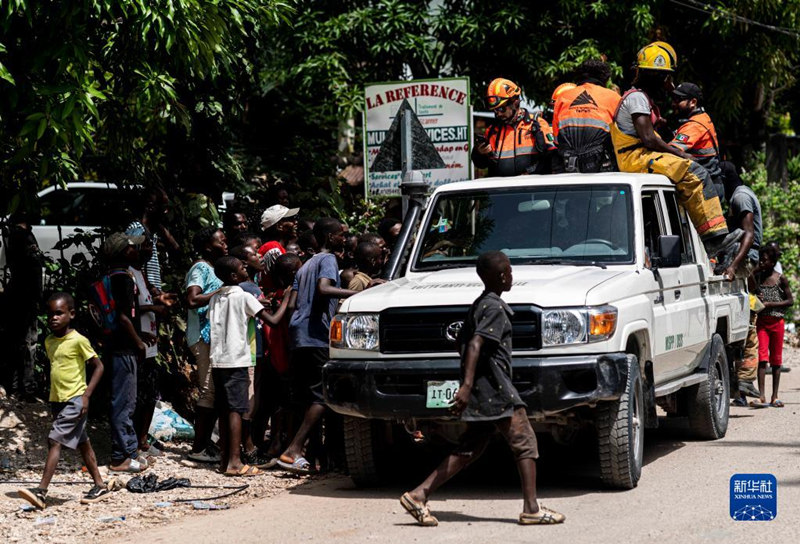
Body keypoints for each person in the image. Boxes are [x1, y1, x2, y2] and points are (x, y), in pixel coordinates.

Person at [399, 251, 565, 526]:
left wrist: (471, 381)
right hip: (496, 388)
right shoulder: (494, 308)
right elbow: (475, 343)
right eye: (510, 271)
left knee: (470, 448)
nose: (512, 275)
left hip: (484, 387)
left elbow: (461, 342)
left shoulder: (479, 305)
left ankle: (418, 495)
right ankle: (532, 508)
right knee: (525, 443)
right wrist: (466, 385)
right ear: (502, 276)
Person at [611, 42, 741, 259]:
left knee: (691, 177)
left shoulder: (643, 99)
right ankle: (714, 240)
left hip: (640, 155)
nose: (668, 83)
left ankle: (712, 238)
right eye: (665, 77)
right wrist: (680, 154)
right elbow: (648, 139)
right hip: (636, 158)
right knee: (695, 173)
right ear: (655, 76)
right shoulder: (637, 98)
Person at [277, 218, 366, 473]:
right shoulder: (328, 260)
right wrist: (360, 295)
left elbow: (292, 304)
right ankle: (294, 450)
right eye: (342, 234)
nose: (345, 238)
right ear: (330, 237)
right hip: (316, 335)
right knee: (323, 397)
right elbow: (324, 289)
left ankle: (314, 458)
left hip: (298, 335)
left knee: (308, 398)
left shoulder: (305, 265)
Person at [17, 293, 110, 509]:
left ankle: (41, 492)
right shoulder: (49, 341)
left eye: (59, 313)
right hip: (57, 400)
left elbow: (99, 367)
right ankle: (99, 484)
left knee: (55, 440)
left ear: (72, 314)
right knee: (82, 441)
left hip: (76, 399)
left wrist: (86, 396)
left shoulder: (79, 340)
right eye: (50, 314)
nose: (53, 318)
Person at [208, 256, 291, 476]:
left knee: (225, 409)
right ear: (234, 276)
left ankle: (225, 459)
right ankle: (235, 462)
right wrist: (286, 299)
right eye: (241, 267)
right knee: (237, 409)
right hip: (237, 359)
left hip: (218, 359)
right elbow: (272, 320)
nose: (246, 268)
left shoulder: (216, 297)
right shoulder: (244, 296)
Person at [104, 233, 151, 473]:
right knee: (124, 402)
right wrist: (138, 342)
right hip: (123, 348)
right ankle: (120, 456)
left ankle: (129, 451)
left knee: (125, 400)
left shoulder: (114, 275)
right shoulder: (122, 278)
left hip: (117, 345)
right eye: (133, 247)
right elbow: (123, 316)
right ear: (125, 252)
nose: (138, 249)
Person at [184, 227, 228, 463]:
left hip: (213, 337)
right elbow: (192, 299)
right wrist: (222, 292)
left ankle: (206, 444)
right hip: (202, 336)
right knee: (208, 391)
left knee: (213, 390)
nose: (225, 244)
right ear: (208, 247)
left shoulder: (213, 268)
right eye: (221, 241)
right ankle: (198, 448)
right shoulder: (200, 268)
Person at [130, 236, 169, 461]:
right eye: (144, 246)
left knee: (149, 394)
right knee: (138, 395)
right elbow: (129, 306)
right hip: (138, 341)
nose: (148, 250)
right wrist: (154, 306)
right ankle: (135, 443)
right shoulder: (127, 274)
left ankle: (142, 440)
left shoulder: (141, 274)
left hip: (149, 340)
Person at [471, 78, 556, 177]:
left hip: (533, 189)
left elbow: (553, 158)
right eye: (495, 110)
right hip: (503, 190)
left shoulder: (537, 124)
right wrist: (479, 153)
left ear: (515, 102)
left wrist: (530, 173)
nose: (498, 114)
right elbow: (481, 164)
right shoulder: (492, 131)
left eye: (501, 109)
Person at [552, 59, 621, 173]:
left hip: (569, 167)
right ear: (605, 79)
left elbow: (556, 138)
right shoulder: (614, 97)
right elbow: (623, 136)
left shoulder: (563, 97)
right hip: (603, 167)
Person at [3, 212, 43, 399]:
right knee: (27, 342)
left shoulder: (13, 235)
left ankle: (15, 385)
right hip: (24, 296)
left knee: (17, 340)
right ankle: (26, 387)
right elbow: (32, 268)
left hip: (18, 294)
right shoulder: (22, 236)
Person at [668, 82, 725, 201]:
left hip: (706, 187)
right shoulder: (703, 117)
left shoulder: (694, 126)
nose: (673, 104)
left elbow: (672, 151)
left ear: (693, 102)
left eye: (679, 100)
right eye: (673, 99)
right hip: (711, 183)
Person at [754, 245, 793, 408]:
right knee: (762, 358)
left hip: (777, 323)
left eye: (765, 260)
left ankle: (774, 396)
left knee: (776, 360)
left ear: (773, 261)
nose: (762, 262)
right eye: (760, 259)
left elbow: (790, 301)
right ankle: (761, 396)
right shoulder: (757, 276)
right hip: (762, 323)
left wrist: (770, 304)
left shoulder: (780, 278)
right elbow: (751, 288)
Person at [126, 186, 179, 293]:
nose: (166, 212)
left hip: (150, 292)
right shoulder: (136, 229)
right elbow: (130, 263)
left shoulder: (151, 232)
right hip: (142, 292)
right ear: (150, 206)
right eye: (163, 207)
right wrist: (148, 287)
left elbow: (176, 248)